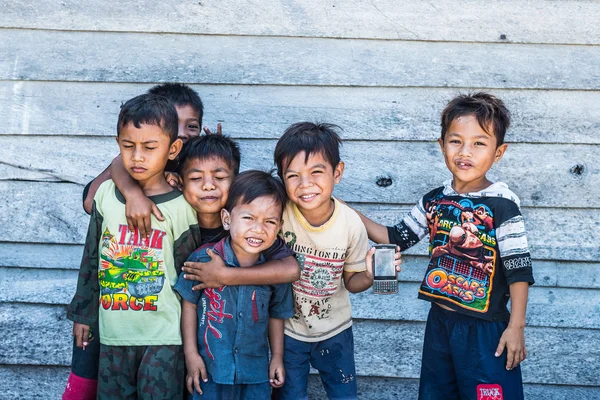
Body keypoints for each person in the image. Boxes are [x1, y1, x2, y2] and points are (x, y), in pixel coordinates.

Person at [355, 93, 534, 400]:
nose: (466, 152)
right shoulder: (433, 201)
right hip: (440, 325)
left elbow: (518, 268)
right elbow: (397, 237)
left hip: (485, 329)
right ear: (442, 145)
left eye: (479, 143)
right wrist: (347, 212)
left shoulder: (502, 205)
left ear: (498, 152)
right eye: (456, 141)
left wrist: (516, 327)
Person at [66, 93, 202, 399]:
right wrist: (84, 315)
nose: (137, 156)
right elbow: (91, 260)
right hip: (113, 335)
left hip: (165, 338)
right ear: (118, 144)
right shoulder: (105, 197)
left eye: (149, 148)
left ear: (173, 149)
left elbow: (189, 277)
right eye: (129, 146)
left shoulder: (182, 207)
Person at [272, 122, 374, 400]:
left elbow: (353, 282)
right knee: (289, 395)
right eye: (293, 176)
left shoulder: (351, 224)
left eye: (316, 172)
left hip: (335, 331)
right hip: (289, 332)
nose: (305, 185)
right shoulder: (281, 214)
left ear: (337, 172)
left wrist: (371, 274)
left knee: (344, 394)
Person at [174, 170, 294, 399]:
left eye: (269, 221)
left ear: (279, 227)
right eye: (249, 218)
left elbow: (277, 314)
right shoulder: (203, 260)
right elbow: (189, 304)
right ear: (227, 219)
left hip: (255, 373)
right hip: (209, 370)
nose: (258, 229)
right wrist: (190, 354)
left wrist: (277, 356)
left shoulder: (274, 271)